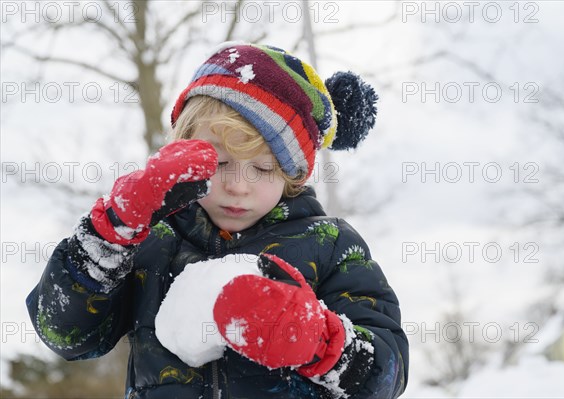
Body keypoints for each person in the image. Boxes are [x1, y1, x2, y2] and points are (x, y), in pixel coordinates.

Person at [26, 42, 409, 398]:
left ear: (293, 175)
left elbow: (387, 375)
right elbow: (66, 334)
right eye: (221, 162)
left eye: (263, 168)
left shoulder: (331, 245)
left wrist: (318, 341)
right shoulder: (154, 242)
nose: (238, 186)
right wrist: (108, 235)